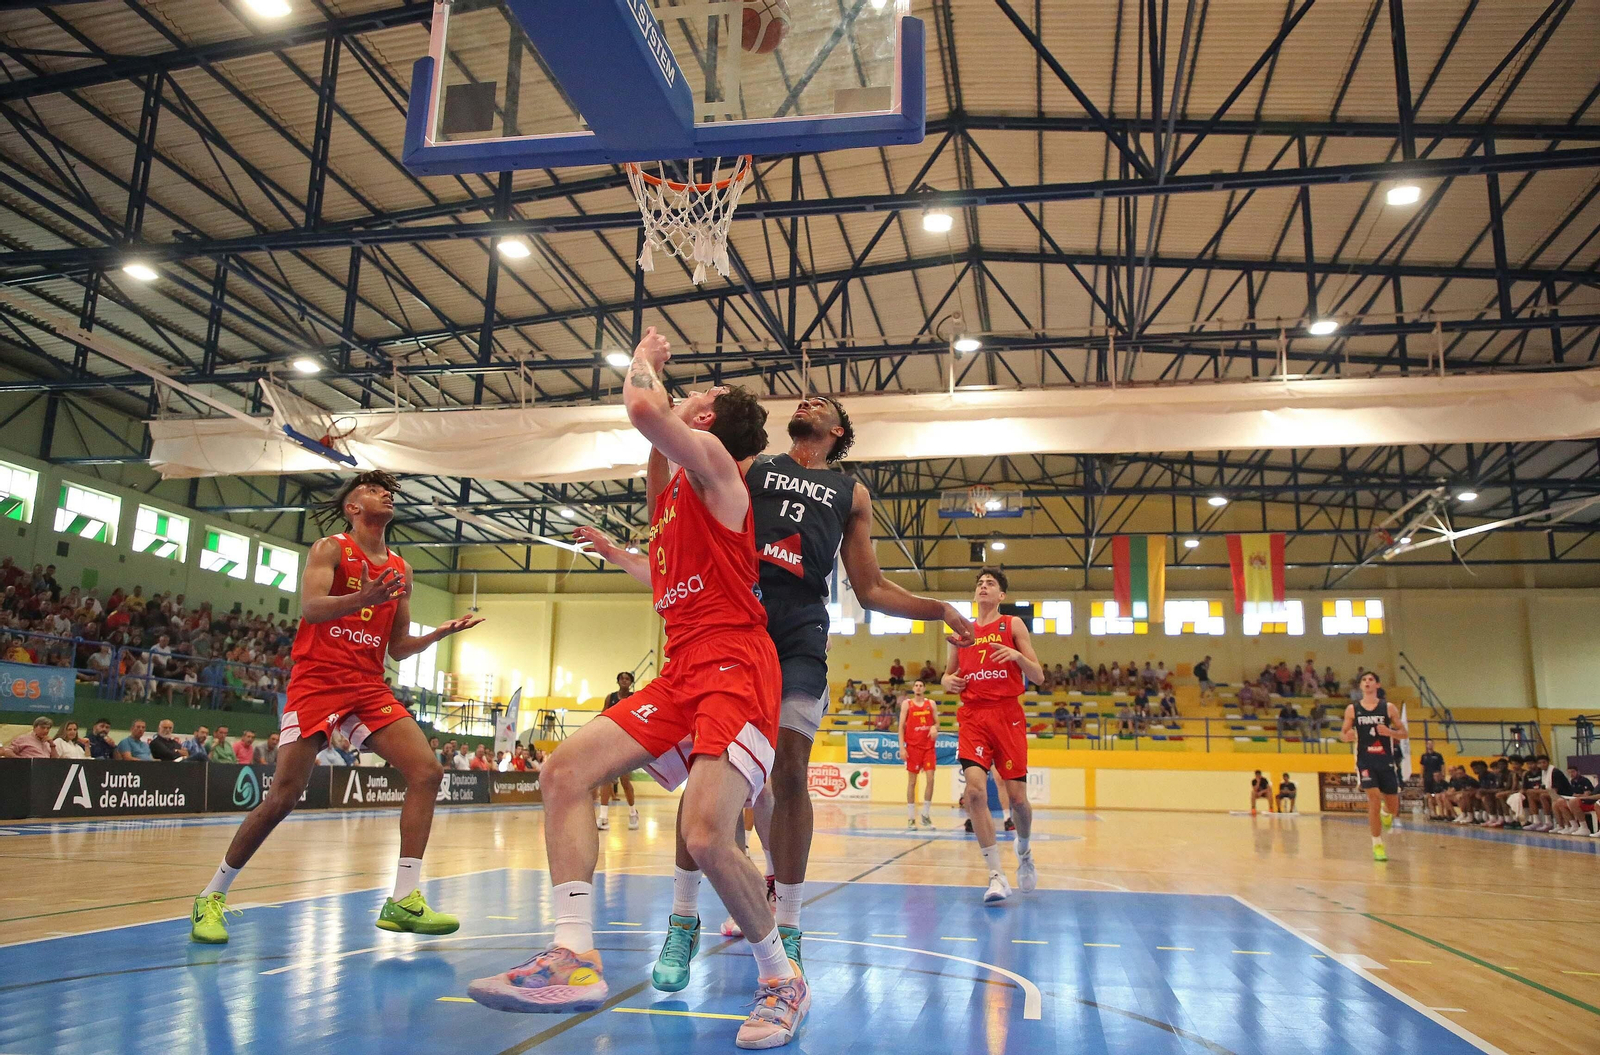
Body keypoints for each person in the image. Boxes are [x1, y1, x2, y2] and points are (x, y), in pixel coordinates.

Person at [575, 376, 973, 989]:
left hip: (799, 631)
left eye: (825, 403)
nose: (809, 400)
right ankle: (684, 917)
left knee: (789, 769)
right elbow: (680, 494)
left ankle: (787, 925)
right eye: (804, 399)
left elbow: (870, 589)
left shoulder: (851, 492)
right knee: (711, 767)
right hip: (735, 613)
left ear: (837, 431)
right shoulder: (751, 461)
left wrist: (938, 609)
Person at [470, 328, 807, 1048]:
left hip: (736, 665)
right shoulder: (675, 497)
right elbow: (661, 559)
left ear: (710, 423)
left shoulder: (719, 471)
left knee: (708, 834)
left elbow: (644, 413)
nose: (688, 404)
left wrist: (649, 362)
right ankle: (574, 953)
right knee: (562, 771)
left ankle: (782, 977)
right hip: (682, 667)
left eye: (702, 403)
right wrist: (619, 552)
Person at [187, 469, 483, 946]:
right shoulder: (330, 549)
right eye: (373, 490)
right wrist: (360, 597)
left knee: (427, 771)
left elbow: (400, 648)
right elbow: (312, 609)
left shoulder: (401, 569)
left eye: (388, 491)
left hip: (367, 684)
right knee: (284, 795)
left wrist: (438, 634)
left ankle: (404, 899)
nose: (385, 495)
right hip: (318, 679)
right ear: (352, 506)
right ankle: (211, 895)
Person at [944, 568, 1043, 904]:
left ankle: (1024, 849)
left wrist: (1016, 656)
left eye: (990, 584)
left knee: (1018, 801)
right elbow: (947, 675)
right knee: (974, 793)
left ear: (1001, 595)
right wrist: (948, 682)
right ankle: (996, 875)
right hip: (973, 716)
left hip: (1007, 715)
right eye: (980, 584)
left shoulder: (1012, 625)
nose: (983, 587)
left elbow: (1039, 676)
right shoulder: (962, 631)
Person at [1341, 672, 1407, 861]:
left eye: (1371, 680)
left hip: (1385, 760)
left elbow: (1404, 733)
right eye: (1364, 680)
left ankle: (1387, 813)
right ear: (1361, 686)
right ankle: (1377, 844)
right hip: (1365, 761)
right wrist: (1347, 736)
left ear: (1377, 684)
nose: (1367, 682)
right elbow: (1343, 733)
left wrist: (1390, 732)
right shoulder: (1352, 709)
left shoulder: (1388, 707)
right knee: (1374, 798)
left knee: (1393, 807)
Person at [596, 671, 639, 832]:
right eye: (622, 678)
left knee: (625, 781)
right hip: (610, 741)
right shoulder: (611, 698)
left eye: (627, 679)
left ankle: (633, 812)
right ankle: (603, 817)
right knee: (605, 778)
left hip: (627, 741)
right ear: (618, 681)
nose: (624, 681)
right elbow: (603, 715)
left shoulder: (635, 698)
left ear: (631, 683)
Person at [899, 679, 938, 829]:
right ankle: (910, 818)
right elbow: (901, 727)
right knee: (912, 782)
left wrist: (935, 727)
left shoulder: (931, 704)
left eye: (921, 685)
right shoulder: (907, 704)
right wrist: (902, 747)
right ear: (913, 688)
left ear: (925, 688)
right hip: (913, 747)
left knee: (931, 778)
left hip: (928, 746)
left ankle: (925, 815)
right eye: (916, 685)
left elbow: (937, 722)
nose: (918, 687)